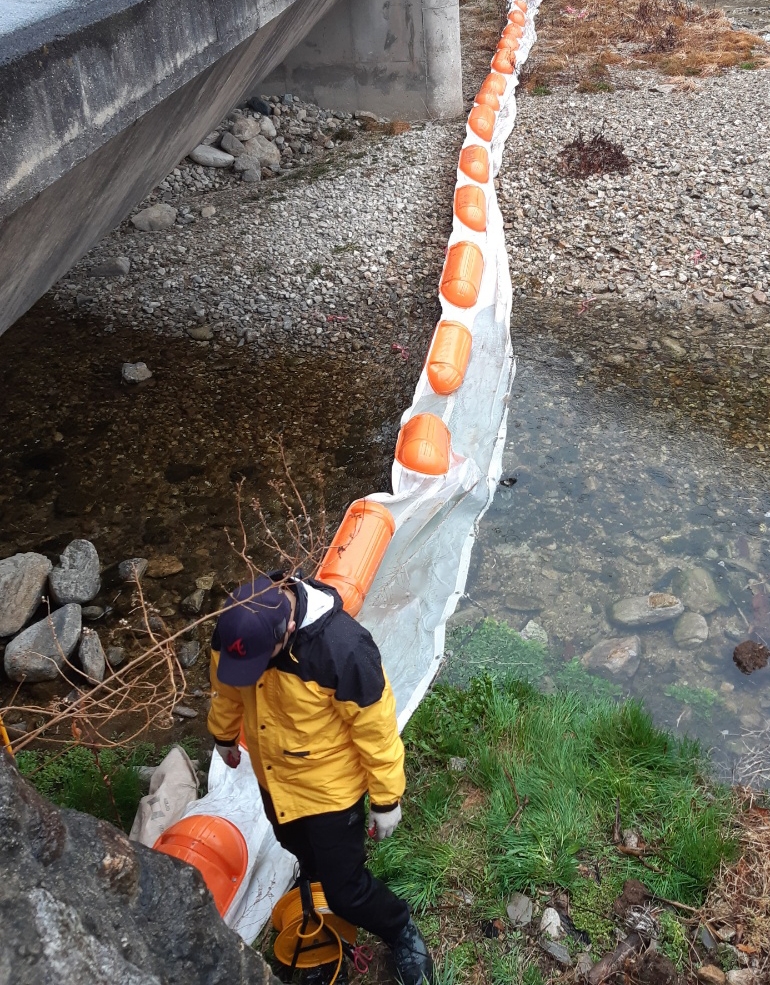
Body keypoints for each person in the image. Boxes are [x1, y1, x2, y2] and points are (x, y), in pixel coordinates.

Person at [207, 572, 434, 985]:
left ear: (289, 629)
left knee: (346, 888)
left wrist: (387, 799)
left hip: (330, 792)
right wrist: (223, 735)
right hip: (274, 780)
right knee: (296, 849)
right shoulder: (234, 630)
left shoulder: (343, 649)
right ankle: (320, 906)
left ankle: (399, 928)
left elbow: (376, 730)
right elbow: (226, 690)